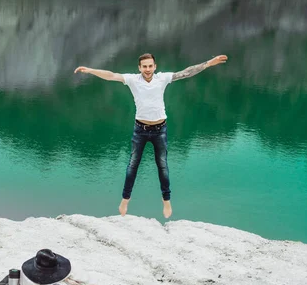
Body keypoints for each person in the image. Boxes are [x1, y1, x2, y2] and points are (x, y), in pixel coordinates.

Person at [74, 53, 228, 218]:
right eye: (144, 66)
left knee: (162, 165)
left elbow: (186, 72)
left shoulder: (162, 78)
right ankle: (125, 200)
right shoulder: (133, 80)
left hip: (160, 130)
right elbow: (111, 75)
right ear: (139, 68)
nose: (147, 69)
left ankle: (166, 201)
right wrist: (90, 70)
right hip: (140, 130)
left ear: (155, 67)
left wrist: (208, 64)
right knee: (133, 165)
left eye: (150, 66)